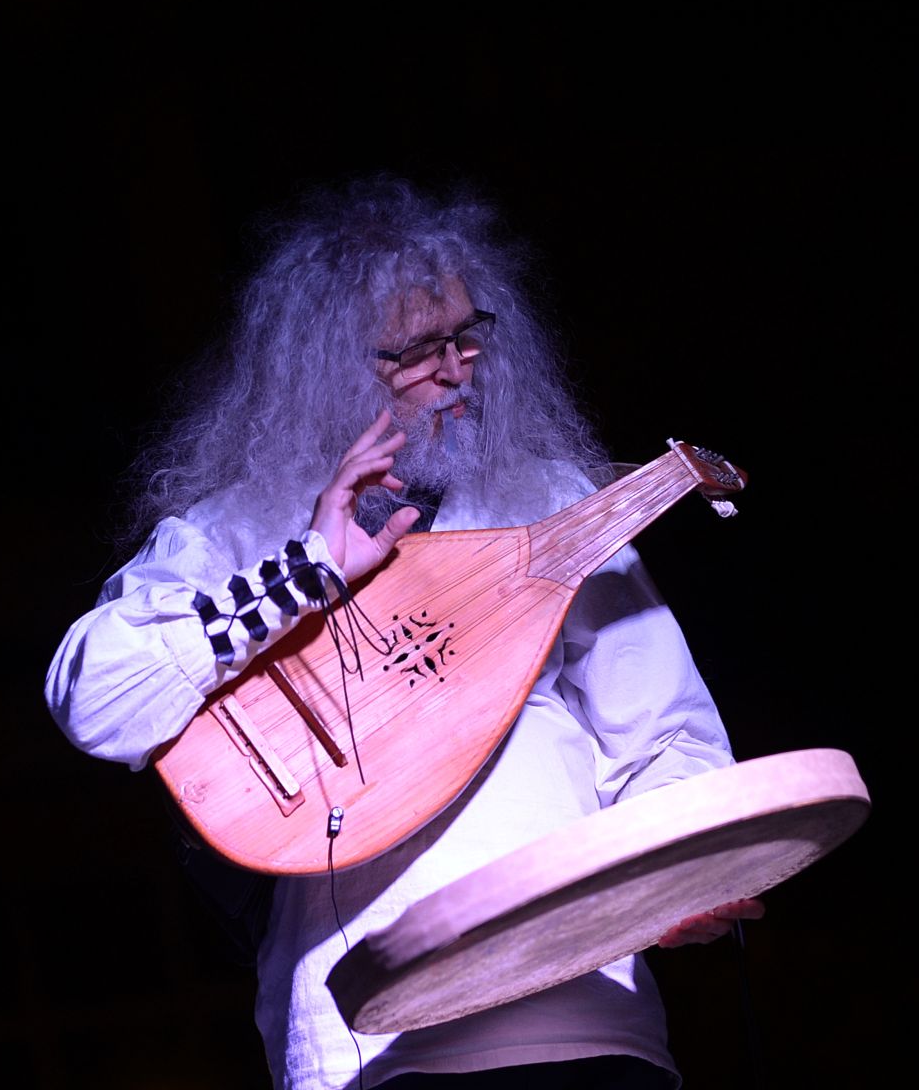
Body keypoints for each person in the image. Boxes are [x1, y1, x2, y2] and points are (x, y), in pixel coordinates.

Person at [45, 172, 764, 1090]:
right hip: (362, 1043)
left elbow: (664, 735)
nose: (458, 370)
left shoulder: (548, 503)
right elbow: (96, 703)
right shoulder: (235, 534)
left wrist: (677, 873)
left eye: (468, 337)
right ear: (328, 371)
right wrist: (306, 571)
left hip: (579, 1019)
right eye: (419, 351)